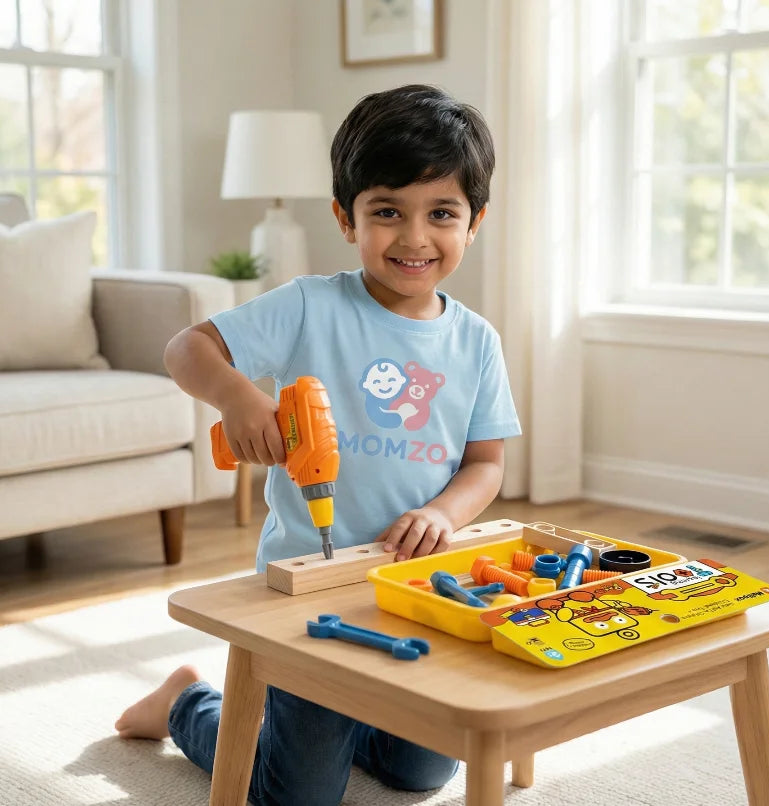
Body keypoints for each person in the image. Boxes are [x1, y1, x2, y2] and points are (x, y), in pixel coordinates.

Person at [115, 84, 521, 806]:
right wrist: (239, 394)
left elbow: (485, 464)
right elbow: (187, 349)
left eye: (442, 214)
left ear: (475, 222)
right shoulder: (310, 305)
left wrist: (444, 515)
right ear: (345, 216)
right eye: (387, 211)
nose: (414, 237)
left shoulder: (476, 341)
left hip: (416, 585)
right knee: (293, 797)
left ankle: (347, 721)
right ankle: (187, 704)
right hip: (309, 590)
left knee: (420, 772)